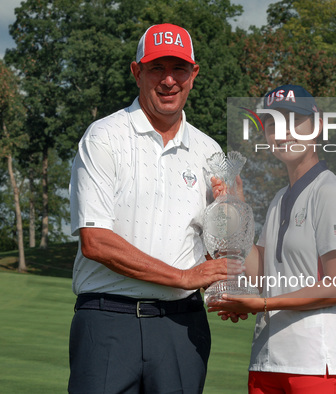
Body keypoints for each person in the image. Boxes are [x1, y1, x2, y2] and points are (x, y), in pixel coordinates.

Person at [68, 23, 241, 394]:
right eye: (156, 68)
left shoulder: (210, 152)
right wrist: (183, 277)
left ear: (193, 75)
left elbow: (220, 246)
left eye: (178, 69)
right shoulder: (104, 137)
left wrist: (233, 216)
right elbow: (95, 241)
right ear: (136, 73)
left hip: (181, 326)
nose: (168, 80)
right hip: (108, 320)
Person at [208, 85, 336, 393]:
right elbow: (264, 275)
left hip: (316, 366)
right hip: (267, 361)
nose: (283, 132)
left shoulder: (331, 192)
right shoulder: (279, 199)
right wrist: (238, 208)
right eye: (273, 124)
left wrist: (261, 303)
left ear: (317, 126)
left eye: (294, 121)